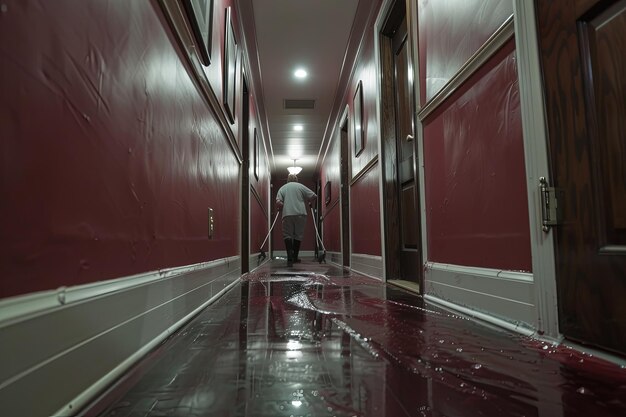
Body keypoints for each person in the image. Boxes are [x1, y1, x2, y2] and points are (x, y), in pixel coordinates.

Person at [275, 174, 317, 266]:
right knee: (298, 235)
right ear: (296, 179)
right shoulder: (301, 186)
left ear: (288, 180)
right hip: (301, 214)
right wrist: (309, 201)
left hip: (287, 213)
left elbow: (278, 202)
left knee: (287, 235)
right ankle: (295, 257)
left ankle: (290, 257)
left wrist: (283, 206)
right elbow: (314, 196)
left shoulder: (283, 188)